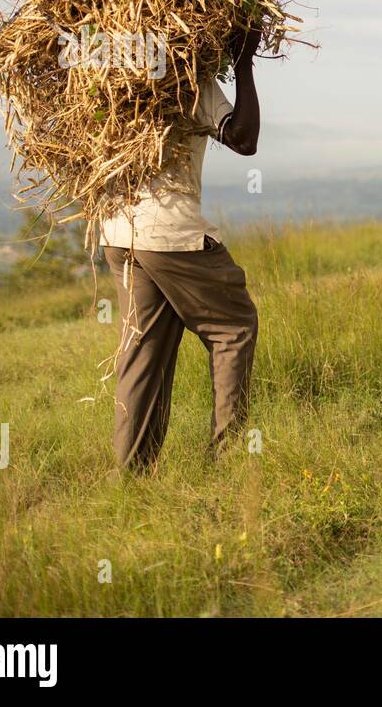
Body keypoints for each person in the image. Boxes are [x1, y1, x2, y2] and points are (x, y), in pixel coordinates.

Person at [99, 26, 262, 472]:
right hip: (169, 233)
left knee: (142, 356)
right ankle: (230, 459)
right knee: (234, 325)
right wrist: (245, 61)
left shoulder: (112, 82)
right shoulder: (188, 78)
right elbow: (244, 139)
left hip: (118, 230)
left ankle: (130, 478)